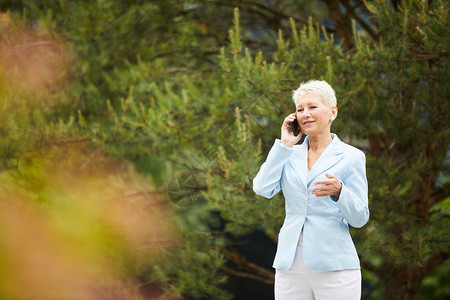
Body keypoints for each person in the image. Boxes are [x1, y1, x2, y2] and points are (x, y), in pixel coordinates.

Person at [253, 80, 369, 300]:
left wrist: (340, 192)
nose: (305, 114)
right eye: (299, 109)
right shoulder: (288, 154)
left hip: (335, 266)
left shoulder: (352, 157)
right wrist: (284, 144)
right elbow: (262, 188)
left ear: (332, 111)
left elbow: (360, 218)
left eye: (312, 107)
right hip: (290, 265)